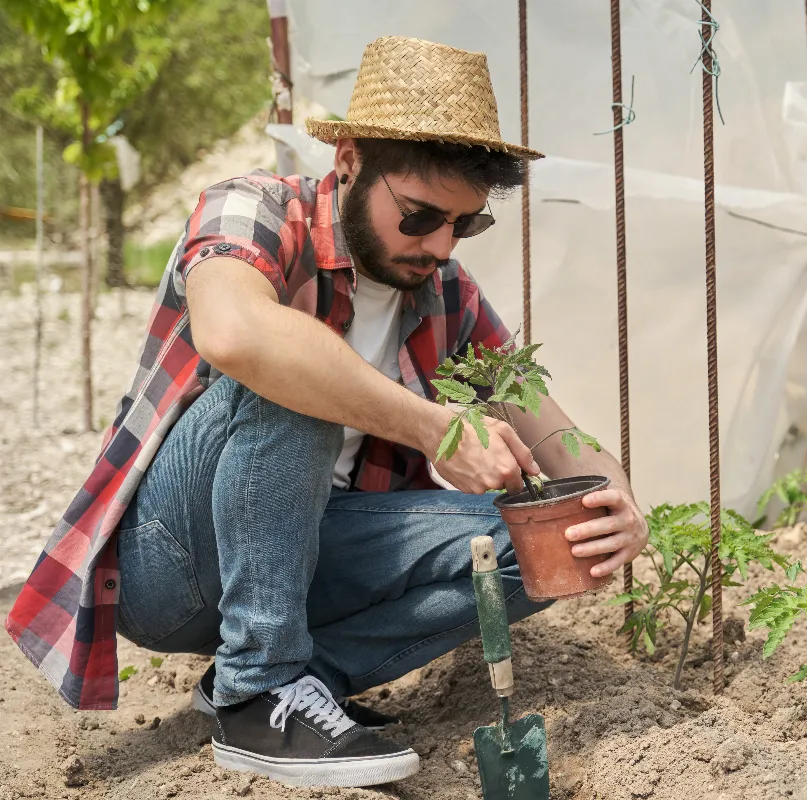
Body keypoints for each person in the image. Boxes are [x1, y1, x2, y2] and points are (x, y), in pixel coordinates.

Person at [6, 36, 647, 789]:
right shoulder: (252, 209)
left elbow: (554, 430)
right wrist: (432, 425)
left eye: (463, 224)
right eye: (419, 216)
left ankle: (295, 679)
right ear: (347, 162)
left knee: (552, 542)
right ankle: (258, 695)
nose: (440, 245)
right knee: (294, 370)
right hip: (172, 561)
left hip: (305, 557)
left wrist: (616, 502)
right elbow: (235, 334)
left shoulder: (445, 292)